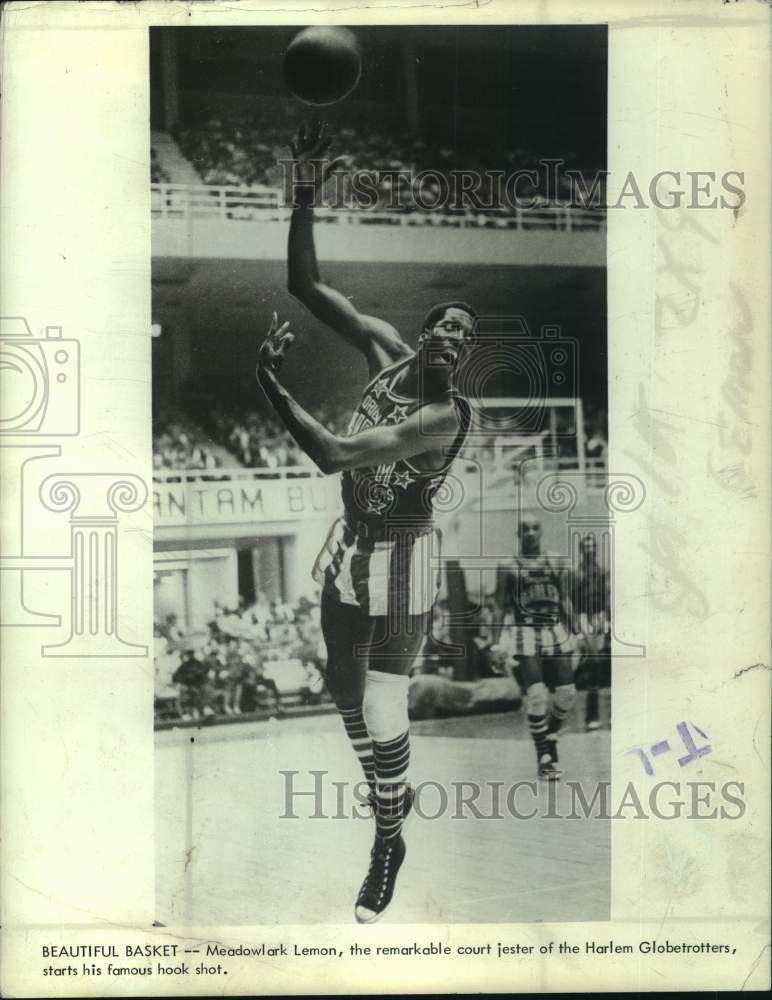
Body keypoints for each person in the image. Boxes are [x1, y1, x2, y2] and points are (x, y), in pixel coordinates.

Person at [255, 121, 474, 924]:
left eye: (467, 334)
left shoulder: (444, 417)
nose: (454, 335)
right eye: (446, 324)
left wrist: (271, 388)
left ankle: (388, 838)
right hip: (352, 544)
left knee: (385, 705)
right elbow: (306, 285)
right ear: (424, 336)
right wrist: (304, 187)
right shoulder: (383, 351)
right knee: (342, 694)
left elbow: (333, 454)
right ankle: (390, 794)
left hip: (407, 554)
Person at [493, 517, 577, 780]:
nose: (530, 532)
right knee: (538, 694)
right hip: (524, 631)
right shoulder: (507, 566)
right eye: (525, 529)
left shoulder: (557, 562)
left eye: (535, 527)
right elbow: (499, 606)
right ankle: (544, 758)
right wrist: (495, 643)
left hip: (554, 629)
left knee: (567, 694)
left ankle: (550, 735)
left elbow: (564, 599)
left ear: (542, 531)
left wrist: (578, 632)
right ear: (518, 533)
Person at [571, 533, 610, 731]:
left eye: (592, 546)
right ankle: (590, 715)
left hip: (599, 617)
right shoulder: (576, 574)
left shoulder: (602, 572)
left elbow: (605, 598)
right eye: (586, 546)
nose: (589, 550)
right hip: (584, 617)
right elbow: (574, 602)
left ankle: (593, 713)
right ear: (581, 550)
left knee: (597, 663)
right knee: (593, 661)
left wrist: (606, 621)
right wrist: (577, 627)